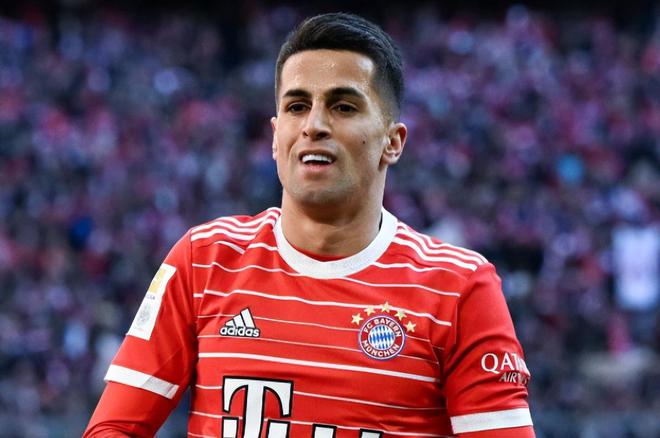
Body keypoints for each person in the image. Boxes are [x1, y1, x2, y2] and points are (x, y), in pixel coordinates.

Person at [84, 12, 535, 438]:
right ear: (275, 137)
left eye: (343, 106)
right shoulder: (204, 260)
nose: (314, 125)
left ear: (393, 142)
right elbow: (112, 428)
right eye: (297, 106)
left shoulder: (459, 289)